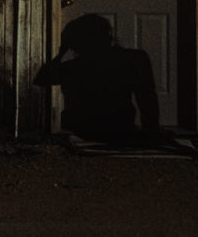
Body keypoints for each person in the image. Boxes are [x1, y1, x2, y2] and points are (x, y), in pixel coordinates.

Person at [34, 14, 160, 143]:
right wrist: (151, 129)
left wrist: (61, 52)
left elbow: (41, 79)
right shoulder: (134, 59)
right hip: (120, 126)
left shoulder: (75, 67)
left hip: (85, 128)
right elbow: (147, 97)